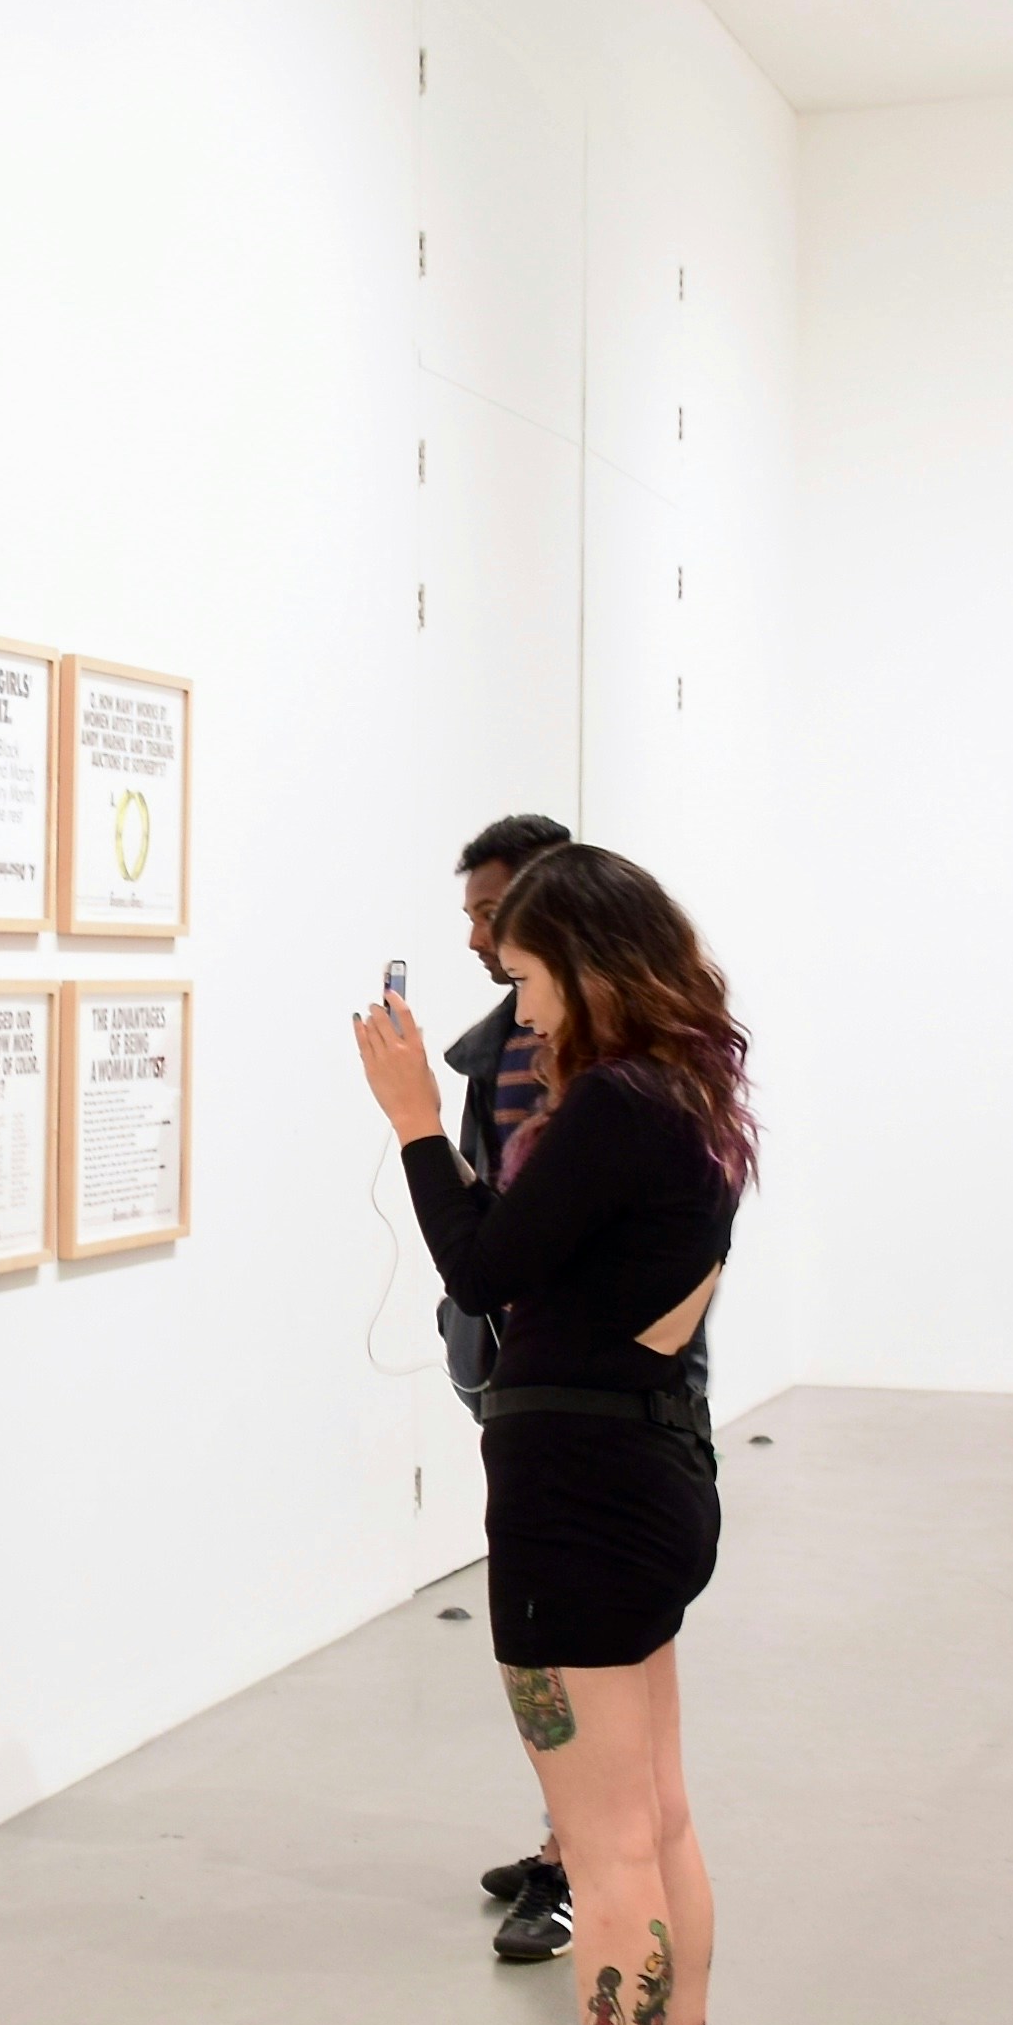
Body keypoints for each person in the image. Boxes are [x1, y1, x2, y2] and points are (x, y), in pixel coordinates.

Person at [356, 841, 751, 2025]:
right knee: (658, 1821)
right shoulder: (695, 1095)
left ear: (588, 964)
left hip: (576, 1495)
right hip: (651, 1472)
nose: (518, 1015)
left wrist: (412, 1119)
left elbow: (482, 1264)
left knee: (604, 1849)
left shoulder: (616, 1112)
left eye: (526, 980)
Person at [443, 811, 586, 1963]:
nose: (477, 938)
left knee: (566, 1646)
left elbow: (501, 1245)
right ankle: (564, 1842)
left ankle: (581, 1859)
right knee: (537, 1638)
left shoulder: (611, 1077)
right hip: (525, 1381)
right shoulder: (497, 1047)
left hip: (583, 1404)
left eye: (493, 917)